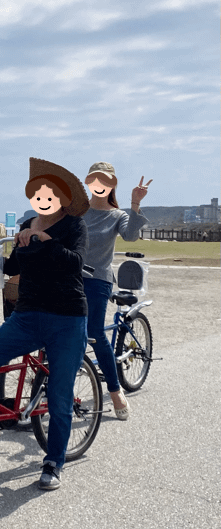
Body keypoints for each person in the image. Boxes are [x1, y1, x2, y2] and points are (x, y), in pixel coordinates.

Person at [0, 157, 90, 491]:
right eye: (38, 191)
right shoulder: (25, 227)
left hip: (67, 317)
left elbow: (75, 264)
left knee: (61, 396)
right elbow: (10, 266)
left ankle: (53, 461)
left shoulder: (74, 226)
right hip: (27, 315)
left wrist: (45, 242)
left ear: (63, 197)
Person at [83, 162, 151, 420]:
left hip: (98, 279)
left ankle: (114, 389)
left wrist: (134, 203)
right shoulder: (76, 211)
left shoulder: (117, 215)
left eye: (106, 181)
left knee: (94, 332)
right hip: (71, 278)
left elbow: (131, 236)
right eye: (95, 179)